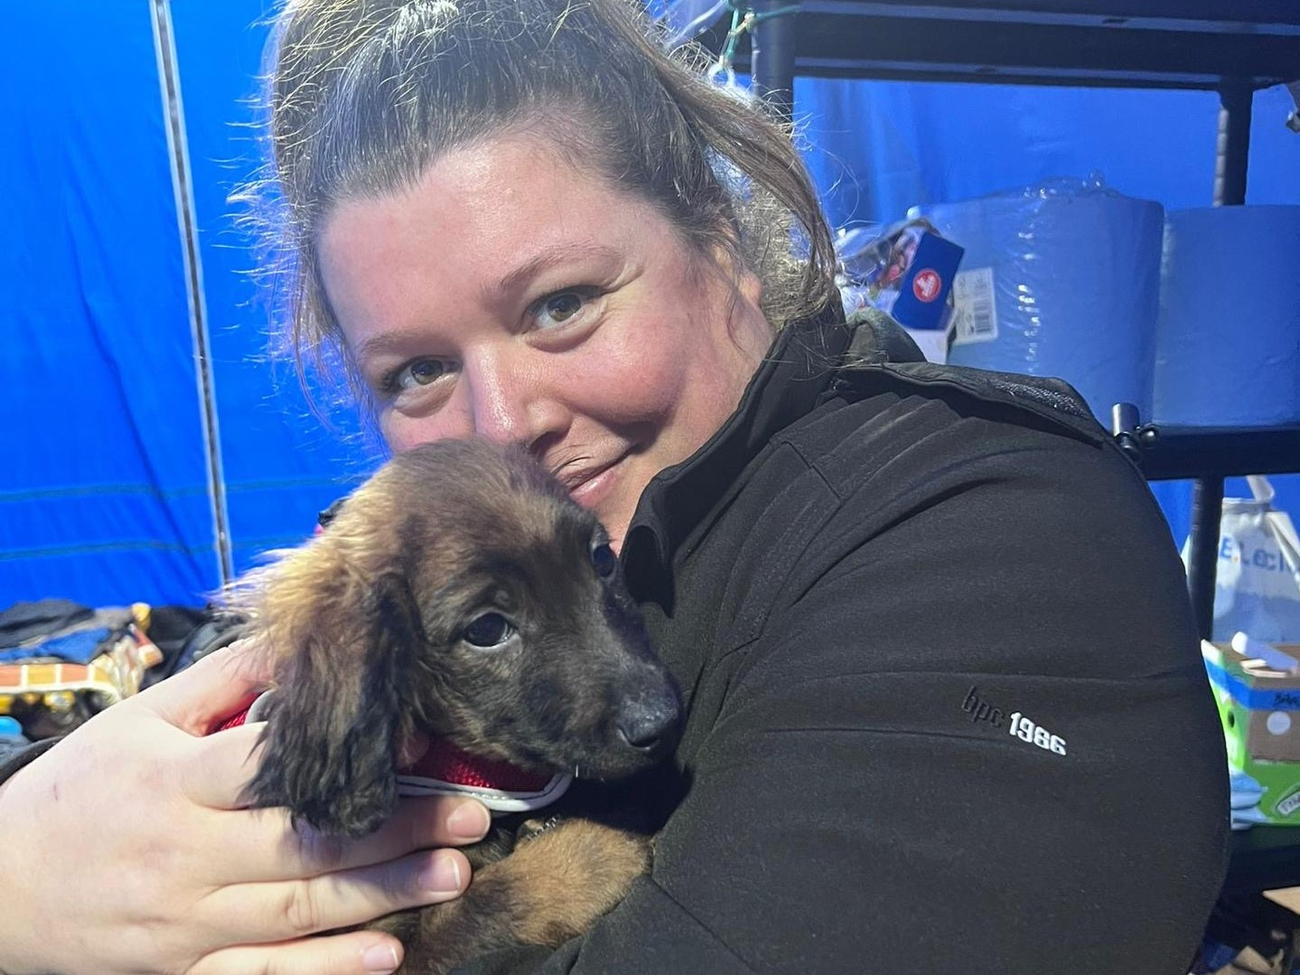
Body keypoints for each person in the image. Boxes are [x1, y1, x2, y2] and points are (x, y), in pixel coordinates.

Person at [0, 0, 1230, 972]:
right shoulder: (432, 567)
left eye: (562, 302)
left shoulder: (980, 534)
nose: (504, 423)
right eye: (418, 369)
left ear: (712, 225)